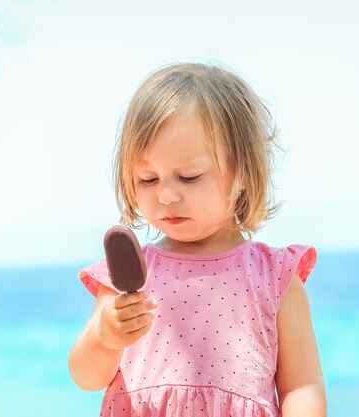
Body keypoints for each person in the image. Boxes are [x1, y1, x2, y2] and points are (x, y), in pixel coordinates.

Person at [68, 62, 326, 417]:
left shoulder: (276, 276)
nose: (167, 195)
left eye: (188, 177)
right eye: (147, 179)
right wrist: (105, 337)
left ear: (243, 172)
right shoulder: (126, 279)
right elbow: (86, 375)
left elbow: (301, 386)